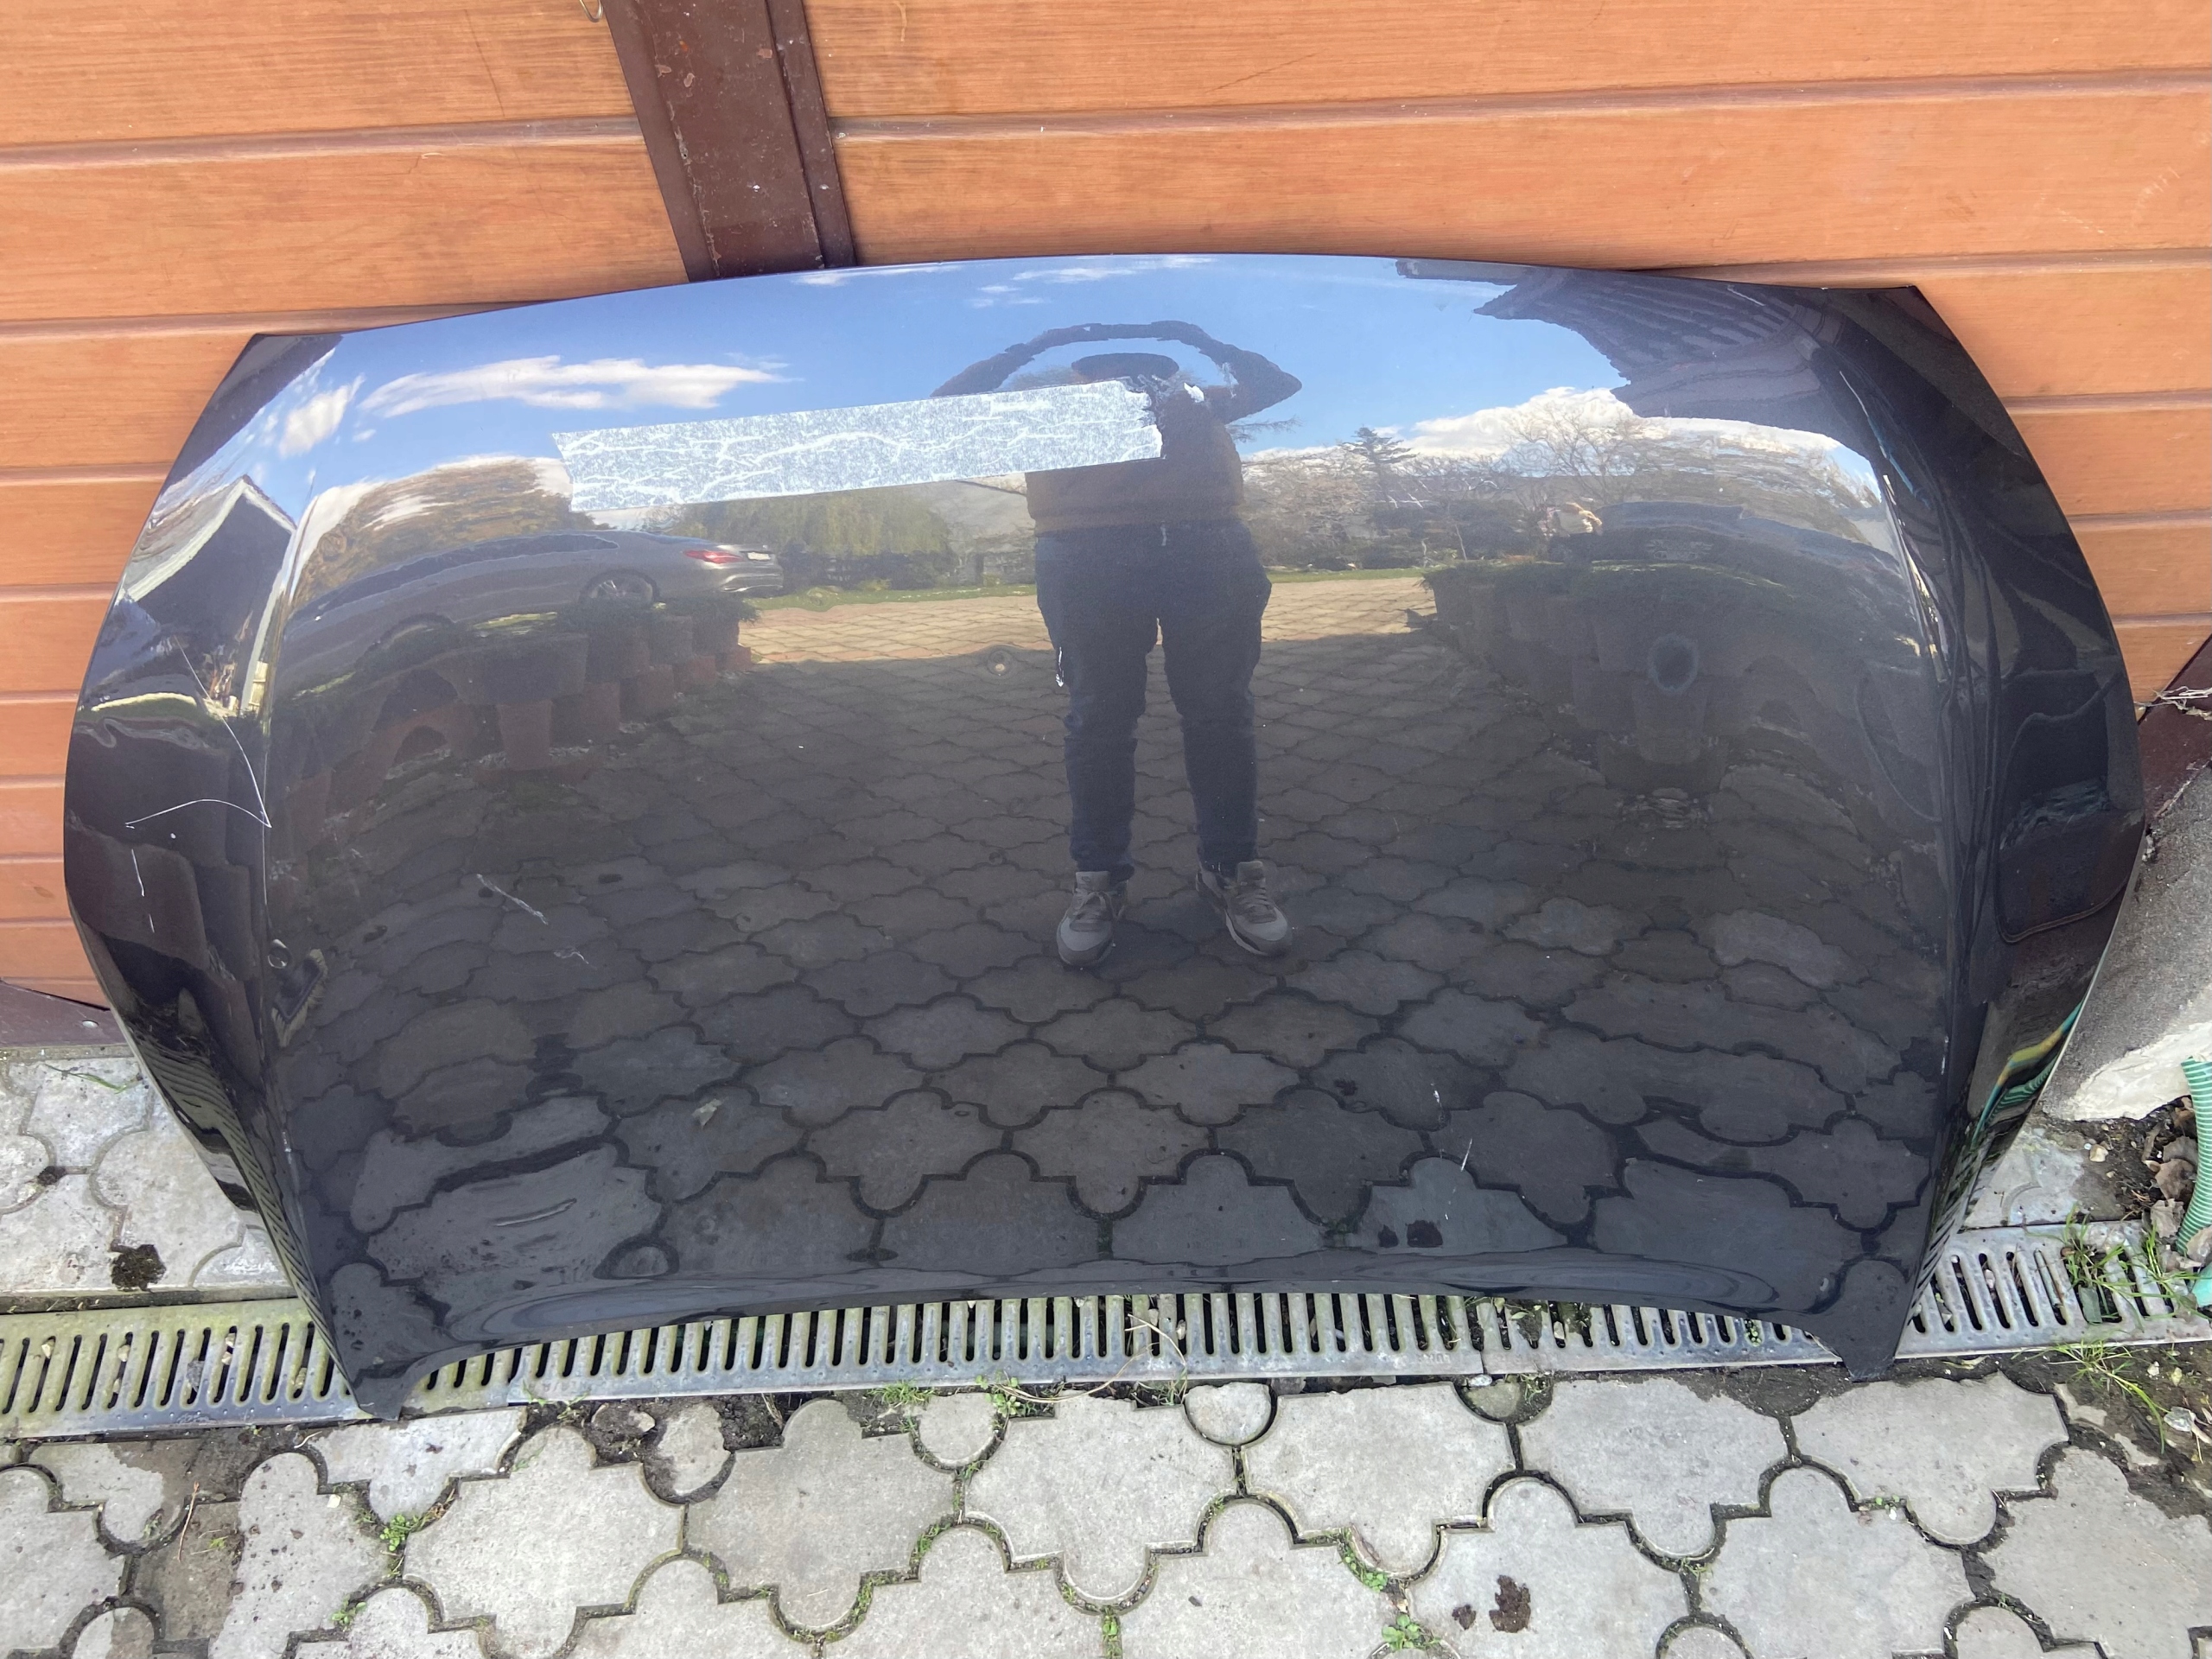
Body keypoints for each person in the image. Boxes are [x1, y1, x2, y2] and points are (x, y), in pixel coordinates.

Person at [935, 321, 1302, 965]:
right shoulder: (1049, 412)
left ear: (1168, 373)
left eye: (1149, 363)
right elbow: (947, 409)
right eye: (1105, 366)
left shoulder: (1195, 404)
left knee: (1220, 712)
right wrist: (1031, 345)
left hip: (1207, 544)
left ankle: (1231, 871)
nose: (1128, 375)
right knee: (1100, 716)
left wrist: (1196, 336)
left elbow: (1278, 384)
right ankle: (1099, 880)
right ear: (1080, 377)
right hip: (1087, 554)